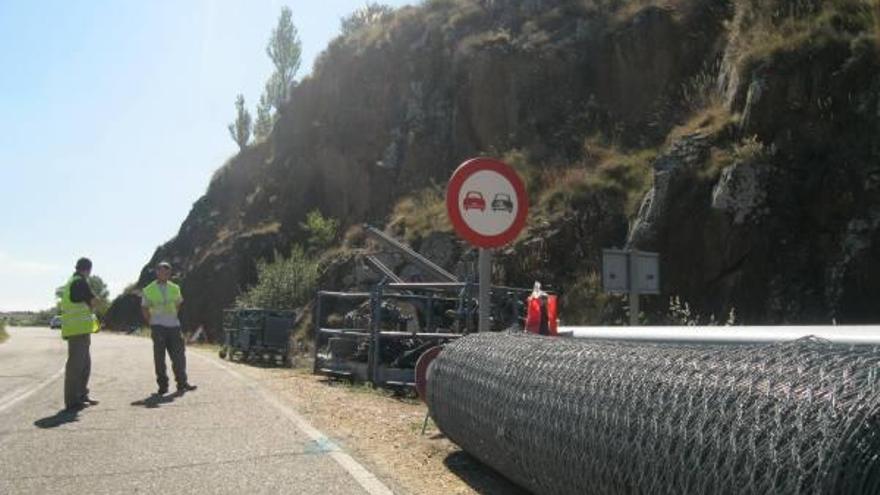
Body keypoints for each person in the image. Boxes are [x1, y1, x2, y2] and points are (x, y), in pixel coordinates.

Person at [141, 261, 196, 395]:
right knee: (159, 358)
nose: (164, 274)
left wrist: (173, 317)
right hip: (158, 326)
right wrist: (151, 322)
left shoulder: (175, 288)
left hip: (174, 326)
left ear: (169, 273)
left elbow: (178, 304)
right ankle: (163, 386)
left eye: (167, 272)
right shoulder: (148, 289)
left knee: (179, 356)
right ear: (157, 272)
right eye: (161, 272)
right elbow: (144, 308)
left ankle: (182, 383)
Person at [60, 257, 101, 412]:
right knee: (76, 367)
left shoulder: (73, 281)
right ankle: (72, 401)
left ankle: (82, 395)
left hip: (78, 330)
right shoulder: (80, 282)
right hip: (77, 331)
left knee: (84, 366)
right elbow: (94, 301)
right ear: (88, 269)